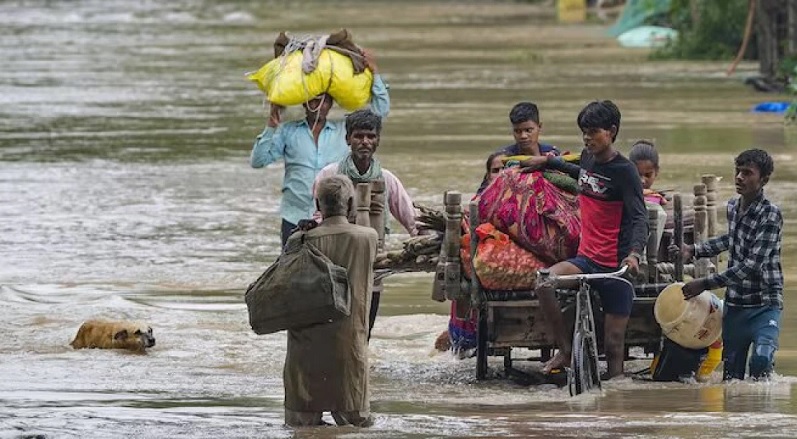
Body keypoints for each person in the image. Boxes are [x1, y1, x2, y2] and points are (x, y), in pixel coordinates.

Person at [520, 100, 648, 379]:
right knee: (544, 282)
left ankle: (616, 403)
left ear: (611, 132)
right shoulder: (588, 158)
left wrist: (634, 254)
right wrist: (549, 162)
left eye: (593, 132)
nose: (587, 139)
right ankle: (565, 350)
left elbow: (640, 217)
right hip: (586, 260)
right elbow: (584, 175)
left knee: (614, 346)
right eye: (584, 133)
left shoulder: (626, 172)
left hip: (615, 268)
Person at [250, 51, 390, 246]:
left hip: (335, 218)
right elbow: (257, 161)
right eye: (313, 100)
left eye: (322, 100)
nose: (317, 106)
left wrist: (374, 74)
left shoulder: (344, 131)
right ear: (305, 102)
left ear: (330, 102)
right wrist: (271, 125)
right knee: (294, 269)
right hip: (295, 216)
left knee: (336, 270)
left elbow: (379, 113)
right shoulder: (287, 132)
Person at [676, 149, 783, 380]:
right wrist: (693, 250)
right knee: (732, 376)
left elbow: (751, 265)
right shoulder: (734, 207)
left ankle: (764, 411)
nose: (739, 177)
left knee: (762, 359)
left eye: (747, 173)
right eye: (738, 171)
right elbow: (730, 239)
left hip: (765, 303)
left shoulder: (770, 215)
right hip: (736, 304)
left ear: (763, 180)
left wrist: (705, 283)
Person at [312, 109, 416, 339]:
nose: (365, 142)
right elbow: (319, 218)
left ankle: (358, 370)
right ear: (348, 139)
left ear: (378, 140)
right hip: (335, 265)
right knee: (334, 331)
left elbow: (411, 219)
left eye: (370, 136)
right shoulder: (329, 176)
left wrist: (424, 244)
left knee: (363, 332)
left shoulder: (387, 179)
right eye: (359, 136)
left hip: (372, 265)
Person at [282, 174, 378, 427]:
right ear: (349, 204)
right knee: (356, 424)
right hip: (348, 345)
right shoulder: (367, 238)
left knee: (301, 426)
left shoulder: (299, 239)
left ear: (317, 205)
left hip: (306, 346)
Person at [629, 140, 667, 247]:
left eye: (648, 175)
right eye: (637, 174)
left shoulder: (654, 197)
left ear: (657, 171)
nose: (642, 180)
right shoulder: (623, 189)